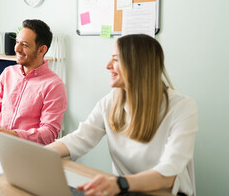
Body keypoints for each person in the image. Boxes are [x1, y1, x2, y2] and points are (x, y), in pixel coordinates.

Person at [47, 34, 198, 196]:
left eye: (115, 59)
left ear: (137, 64)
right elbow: (80, 138)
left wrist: (120, 183)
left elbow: (168, 173)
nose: (107, 66)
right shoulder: (112, 100)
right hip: (125, 189)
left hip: (163, 192)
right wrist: (41, 154)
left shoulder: (182, 107)